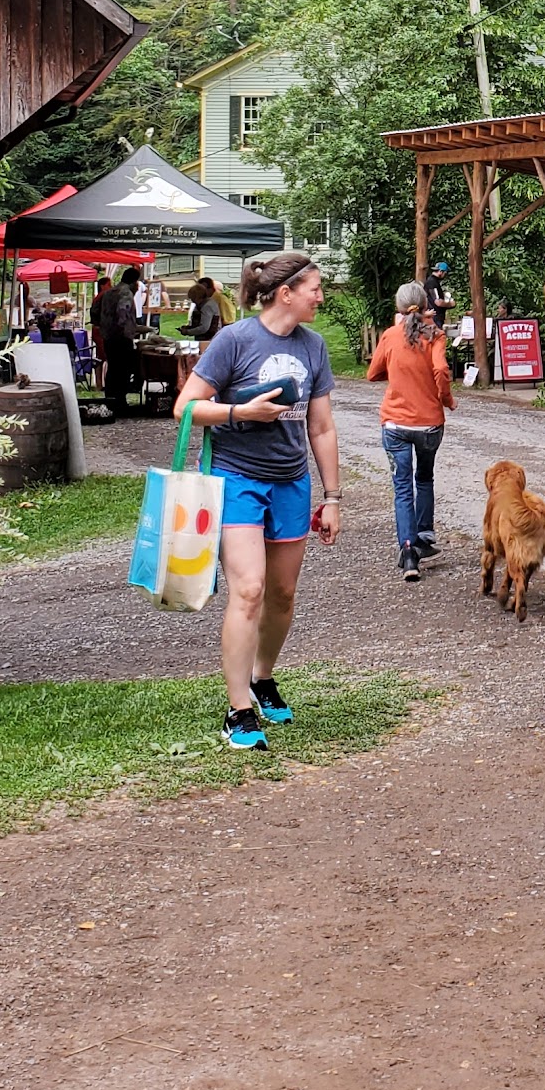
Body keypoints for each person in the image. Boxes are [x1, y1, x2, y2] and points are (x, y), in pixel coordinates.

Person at [173, 250, 340, 752]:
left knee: (283, 594)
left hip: (292, 482)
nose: (320, 295)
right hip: (236, 478)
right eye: (314, 287)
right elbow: (186, 408)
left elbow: (322, 426)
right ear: (286, 292)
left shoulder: (313, 347)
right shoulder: (234, 340)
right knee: (249, 589)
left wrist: (332, 497)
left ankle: (262, 678)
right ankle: (238, 710)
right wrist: (239, 410)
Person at [366, 280, 456, 580]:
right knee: (425, 477)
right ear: (426, 305)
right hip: (429, 423)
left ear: (399, 308)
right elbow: (441, 370)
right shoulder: (436, 335)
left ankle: (407, 552)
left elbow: (373, 373)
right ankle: (425, 537)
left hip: (395, 424)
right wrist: (446, 398)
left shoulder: (391, 336)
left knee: (402, 487)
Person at [103, 267, 144, 411]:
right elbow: (123, 311)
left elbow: (94, 311)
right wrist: (127, 328)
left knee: (112, 368)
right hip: (121, 337)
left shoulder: (108, 293)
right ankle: (120, 401)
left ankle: (109, 398)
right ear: (134, 281)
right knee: (123, 370)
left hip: (108, 336)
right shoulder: (126, 293)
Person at [185, 274, 225, 343]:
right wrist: (189, 327)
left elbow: (204, 327)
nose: (192, 301)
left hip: (210, 340)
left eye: (193, 298)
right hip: (203, 339)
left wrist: (188, 332)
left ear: (198, 296)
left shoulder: (208, 306)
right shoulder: (200, 304)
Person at [426, 262, 453, 330]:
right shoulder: (432, 282)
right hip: (435, 317)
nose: (445, 275)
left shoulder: (433, 281)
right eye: (445, 273)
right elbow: (438, 302)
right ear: (441, 271)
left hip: (435, 316)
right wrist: (450, 304)